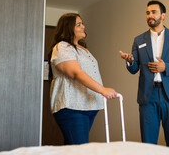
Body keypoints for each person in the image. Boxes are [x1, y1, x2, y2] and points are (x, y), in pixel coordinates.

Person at [119, 0, 169, 148]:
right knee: (148, 144)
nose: (150, 15)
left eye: (154, 12)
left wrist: (166, 67)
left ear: (163, 15)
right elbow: (134, 69)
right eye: (147, 13)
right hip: (148, 96)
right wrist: (130, 61)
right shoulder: (139, 40)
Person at [48, 13, 117, 145]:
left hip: (88, 105)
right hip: (72, 106)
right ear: (68, 28)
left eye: (82, 23)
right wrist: (102, 90)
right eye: (78, 24)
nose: (83, 26)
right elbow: (76, 73)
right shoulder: (62, 47)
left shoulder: (83, 49)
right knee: (79, 148)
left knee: (74, 147)